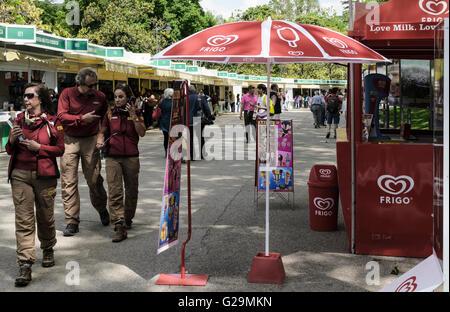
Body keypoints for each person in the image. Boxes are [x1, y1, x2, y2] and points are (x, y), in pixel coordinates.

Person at [6, 83, 65, 287]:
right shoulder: (19, 119)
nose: (26, 99)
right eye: (24, 95)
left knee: (45, 216)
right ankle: (25, 264)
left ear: (40, 98)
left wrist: (40, 148)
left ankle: (48, 248)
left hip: (45, 175)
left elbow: (60, 149)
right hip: (20, 174)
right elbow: (9, 150)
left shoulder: (53, 121)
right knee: (23, 220)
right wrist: (11, 140)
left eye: (30, 95)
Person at [57, 67, 109, 236]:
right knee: (68, 181)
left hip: (91, 140)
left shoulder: (100, 97)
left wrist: (101, 135)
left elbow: (105, 119)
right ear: (79, 83)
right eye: (89, 86)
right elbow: (61, 116)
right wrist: (81, 118)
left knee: (94, 179)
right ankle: (72, 221)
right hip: (69, 139)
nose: (92, 89)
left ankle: (101, 208)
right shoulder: (67, 94)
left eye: (95, 85)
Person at [96, 85, 146, 242]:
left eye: (121, 97)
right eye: (116, 97)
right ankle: (119, 225)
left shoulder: (136, 113)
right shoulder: (110, 114)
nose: (117, 100)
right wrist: (100, 140)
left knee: (131, 190)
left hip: (131, 157)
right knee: (115, 191)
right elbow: (102, 131)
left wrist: (133, 115)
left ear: (129, 98)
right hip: (113, 157)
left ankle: (127, 218)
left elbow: (142, 132)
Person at [159, 88, 173, 157]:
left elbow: (159, 109)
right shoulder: (173, 102)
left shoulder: (162, 101)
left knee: (166, 138)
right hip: (171, 121)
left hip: (163, 121)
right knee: (172, 137)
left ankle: (166, 151)